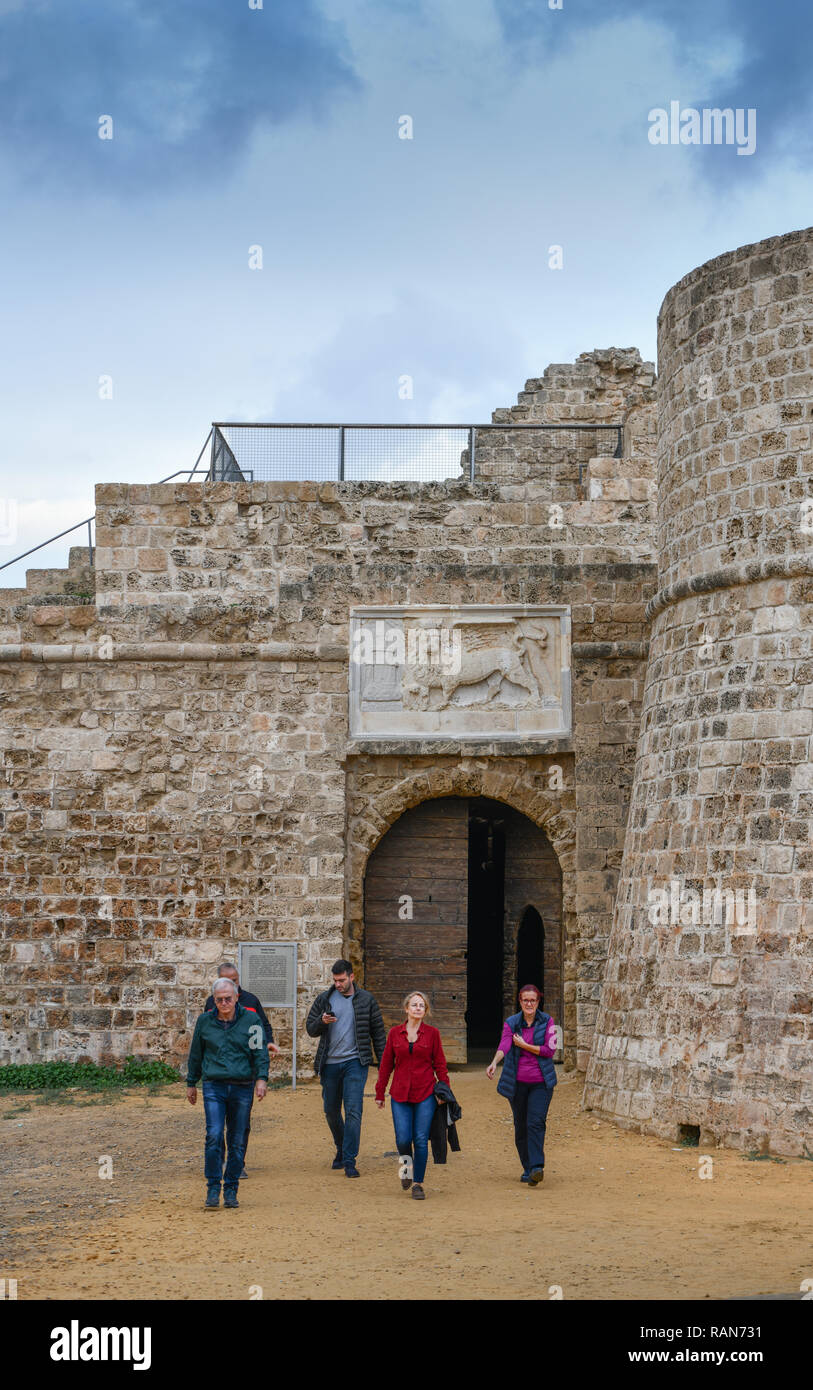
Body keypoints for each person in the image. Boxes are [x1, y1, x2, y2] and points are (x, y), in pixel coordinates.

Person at [185, 977, 269, 1210]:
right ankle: (213, 1187)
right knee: (213, 1135)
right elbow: (196, 1054)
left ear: (236, 998)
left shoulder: (251, 1020)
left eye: (228, 999)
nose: (224, 1003)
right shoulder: (204, 1022)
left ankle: (231, 1188)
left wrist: (262, 1078)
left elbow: (260, 1052)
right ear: (214, 1000)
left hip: (242, 1086)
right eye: (220, 999)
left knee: (237, 1138)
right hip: (214, 1085)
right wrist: (192, 1082)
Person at [305, 959, 387, 1178]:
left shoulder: (367, 1000)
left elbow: (378, 1034)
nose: (338, 984)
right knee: (331, 1111)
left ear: (352, 977)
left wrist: (385, 1065)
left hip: (355, 1062)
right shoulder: (325, 999)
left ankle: (350, 1159)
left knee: (353, 1110)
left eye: (341, 980)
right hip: (330, 1063)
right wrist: (322, 1022)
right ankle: (341, 1148)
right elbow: (310, 1029)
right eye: (335, 980)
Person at [202, 960, 280, 1177]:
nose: (233, 986)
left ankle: (238, 1163)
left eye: (235, 980)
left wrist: (268, 1042)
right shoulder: (212, 1002)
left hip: (244, 1071)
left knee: (240, 1123)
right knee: (216, 1126)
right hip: (218, 1072)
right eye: (229, 981)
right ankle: (219, 1162)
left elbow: (263, 1025)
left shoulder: (251, 1001)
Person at [375, 991, 450, 1201]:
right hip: (400, 1093)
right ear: (406, 1008)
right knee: (403, 1139)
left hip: (425, 1092)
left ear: (425, 1011)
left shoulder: (433, 1034)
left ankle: (418, 1183)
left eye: (422, 1006)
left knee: (420, 1139)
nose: (418, 1008)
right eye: (414, 1005)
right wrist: (380, 1091)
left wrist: (444, 1090)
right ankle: (405, 1168)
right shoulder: (394, 1034)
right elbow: (386, 1065)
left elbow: (440, 1065)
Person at [486, 983, 557, 1185]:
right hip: (517, 1084)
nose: (529, 1003)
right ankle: (528, 1169)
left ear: (538, 1001)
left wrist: (525, 1046)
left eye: (532, 1000)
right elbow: (505, 1044)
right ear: (520, 1001)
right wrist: (494, 1062)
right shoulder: (512, 1022)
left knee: (535, 1123)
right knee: (521, 1126)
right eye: (525, 1000)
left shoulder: (548, 1021)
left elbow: (549, 1051)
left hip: (541, 1083)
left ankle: (537, 1166)